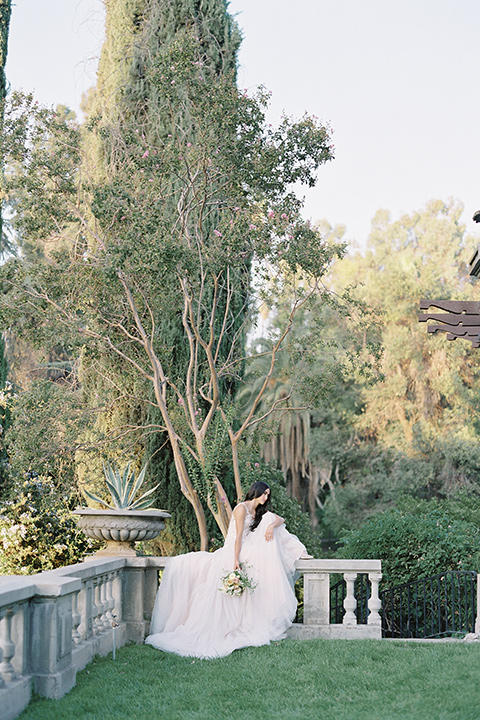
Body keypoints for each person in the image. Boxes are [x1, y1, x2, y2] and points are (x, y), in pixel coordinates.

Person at [145, 481, 311, 659]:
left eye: (268, 495)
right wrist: (235, 560)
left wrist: (271, 525)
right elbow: (238, 536)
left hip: (248, 547)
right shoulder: (242, 508)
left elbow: (281, 519)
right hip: (234, 549)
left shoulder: (261, 512)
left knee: (272, 521)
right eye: (264, 494)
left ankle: (298, 552)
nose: (266, 497)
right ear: (256, 492)